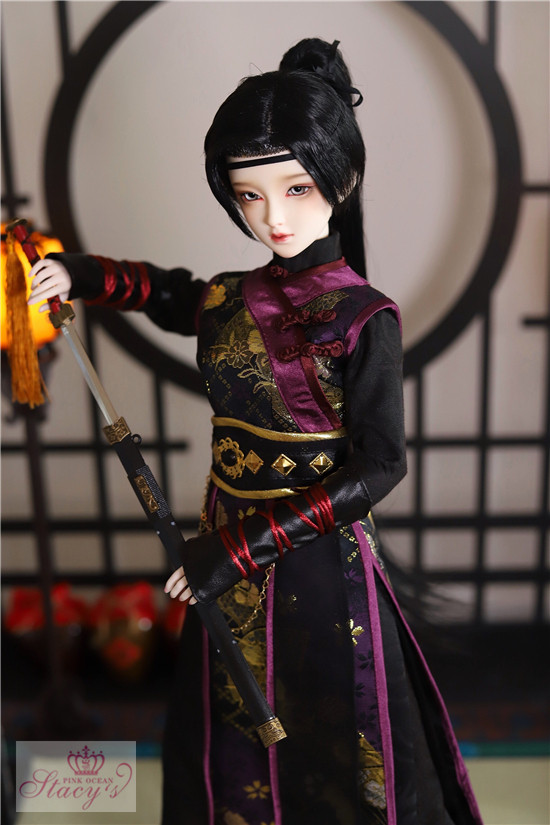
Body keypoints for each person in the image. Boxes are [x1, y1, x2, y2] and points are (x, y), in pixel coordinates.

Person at [28, 38, 482, 825]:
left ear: (342, 180)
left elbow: (381, 464)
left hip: (315, 559)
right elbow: (166, 293)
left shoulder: (364, 316)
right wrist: (82, 274)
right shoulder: (230, 298)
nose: (273, 216)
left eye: (296, 188)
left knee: (331, 730)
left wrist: (239, 548)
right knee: (225, 734)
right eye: (249, 195)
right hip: (224, 539)